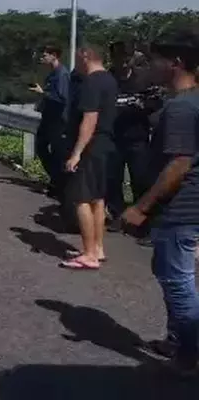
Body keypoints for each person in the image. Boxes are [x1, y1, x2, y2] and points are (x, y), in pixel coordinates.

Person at [122, 26, 199, 375]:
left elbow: (179, 163)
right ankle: (176, 339)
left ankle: (190, 354)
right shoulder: (189, 101)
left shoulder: (181, 108)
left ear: (176, 63)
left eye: (157, 59)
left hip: (180, 209)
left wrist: (141, 207)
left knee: (177, 280)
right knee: (168, 271)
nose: (150, 65)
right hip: (184, 208)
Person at [60, 45, 118, 270]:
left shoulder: (92, 83)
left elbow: (89, 120)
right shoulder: (110, 80)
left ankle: (89, 253)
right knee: (98, 198)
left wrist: (76, 153)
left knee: (81, 198)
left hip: (91, 146)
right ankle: (97, 248)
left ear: (85, 56)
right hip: (106, 144)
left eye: (77, 58)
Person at [106, 40, 154, 238]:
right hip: (114, 138)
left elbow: (156, 104)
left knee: (141, 179)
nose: (124, 63)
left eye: (127, 58)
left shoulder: (143, 79)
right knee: (113, 180)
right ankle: (118, 216)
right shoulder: (108, 80)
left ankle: (142, 221)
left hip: (138, 137)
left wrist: (142, 106)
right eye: (120, 58)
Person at [30, 45, 70, 199]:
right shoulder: (53, 74)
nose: (43, 57)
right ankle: (56, 180)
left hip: (58, 120)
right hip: (48, 117)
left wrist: (43, 93)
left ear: (54, 55)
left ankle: (59, 184)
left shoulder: (62, 74)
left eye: (45, 55)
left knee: (56, 153)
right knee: (41, 147)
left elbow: (62, 98)